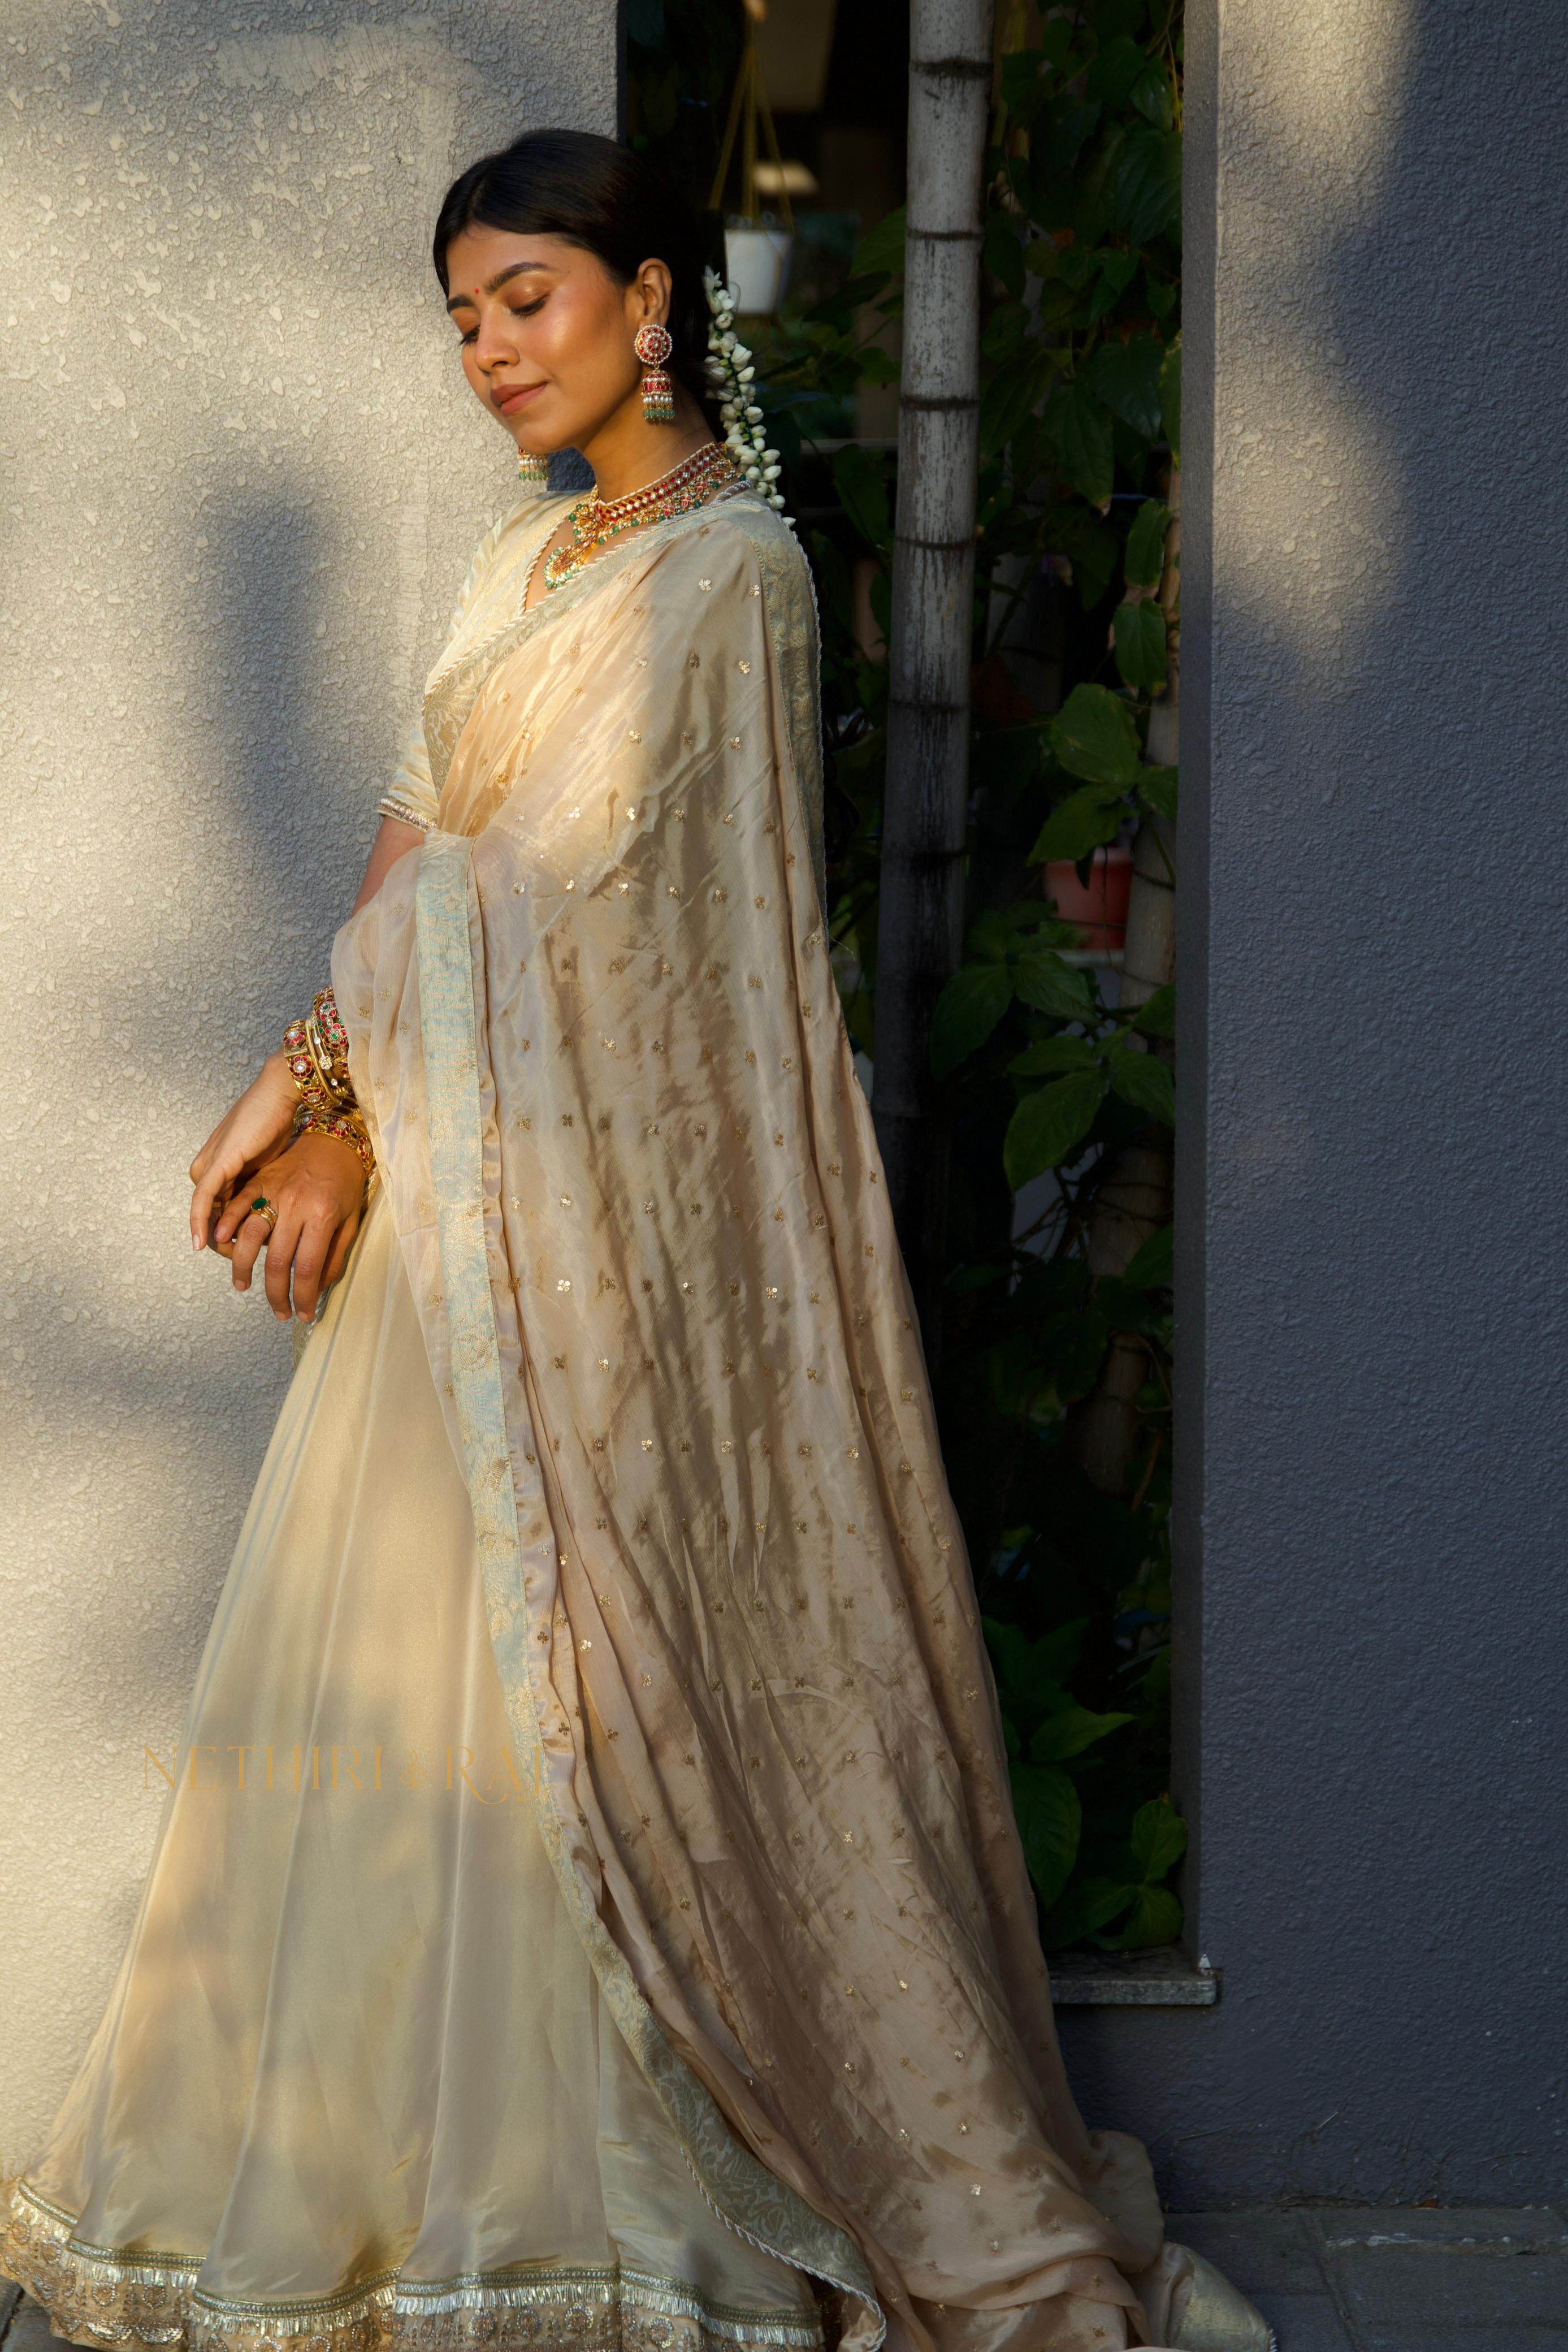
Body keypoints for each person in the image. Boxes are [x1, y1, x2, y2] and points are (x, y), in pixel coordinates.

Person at [0, 132, 1271, 2352]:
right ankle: (409, 2205)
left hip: (621, 1253)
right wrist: (341, 1132)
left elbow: (589, 903)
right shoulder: (522, 557)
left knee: (605, 1707)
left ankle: (624, 2229)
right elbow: (428, 832)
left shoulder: (735, 576)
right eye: (464, 318)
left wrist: (295, 1069)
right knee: (420, 1716)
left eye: (530, 299)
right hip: (459, 1233)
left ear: (652, 298)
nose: (493, 350)